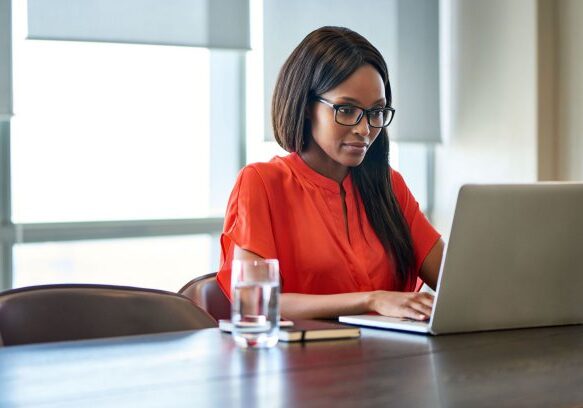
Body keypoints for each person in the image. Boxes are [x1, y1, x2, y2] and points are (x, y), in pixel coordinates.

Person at [217, 26, 444, 321]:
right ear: (307, 106)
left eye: (376, 112)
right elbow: (254, 303)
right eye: (347, 110)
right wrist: (371, 300)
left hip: (394, 359)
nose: (365, 130)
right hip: (304, 362)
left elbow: (457, 282)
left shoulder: (389, 185)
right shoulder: (261, 183)